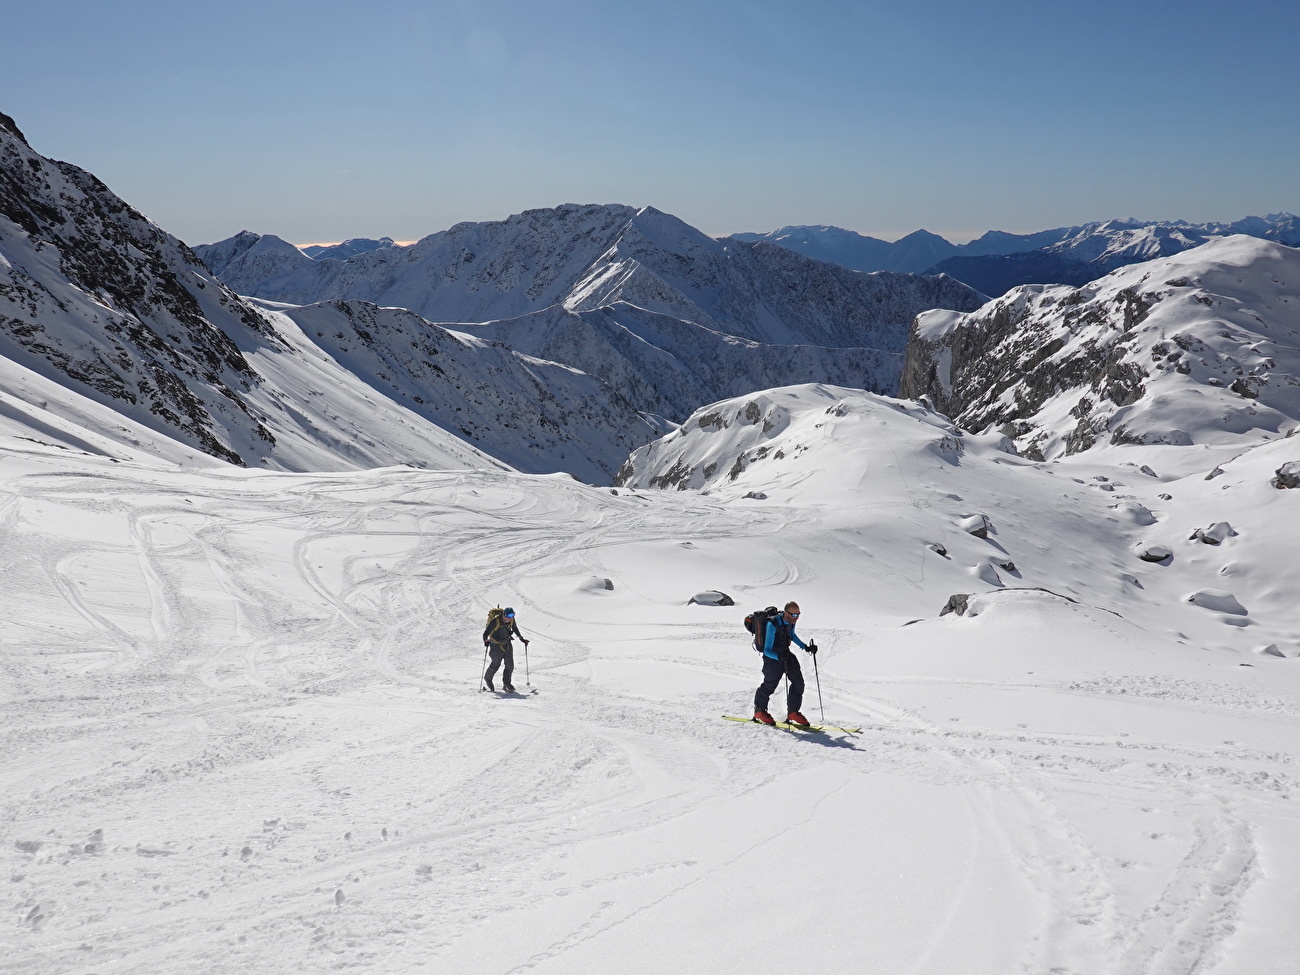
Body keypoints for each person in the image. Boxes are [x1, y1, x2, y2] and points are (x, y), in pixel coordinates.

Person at [753, 601, 817, 727]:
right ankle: (759, 711)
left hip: (785, 654)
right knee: (769, 685)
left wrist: (806, 647)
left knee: (799, 683)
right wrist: (778, 656)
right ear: (786, 613)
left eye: (798, 615)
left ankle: (793, 713)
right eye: (793, 615)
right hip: (772, 658)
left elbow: (792, 636)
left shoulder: (791, 623)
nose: (796, 618)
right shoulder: (773, 624)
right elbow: (767, 650)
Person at [483, 606, 528, 693]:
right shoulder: (495, 621)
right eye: (509, 616)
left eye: (512, 616)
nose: (510, 618)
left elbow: (515, 628)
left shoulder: (511, 620)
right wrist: (485, 640)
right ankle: (488, 679)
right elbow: (485, 633)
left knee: (510, 665)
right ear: (503, 614)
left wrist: (521, 638)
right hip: (496, 646)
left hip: (507, 643)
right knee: (495, 665)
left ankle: (507, 684)